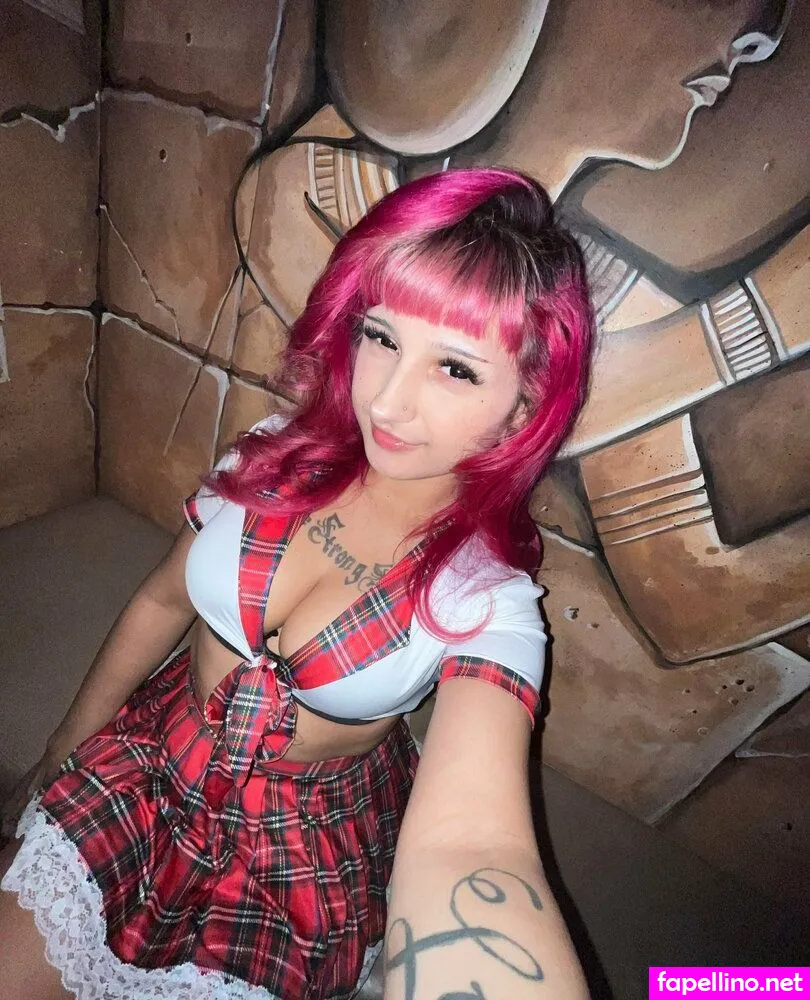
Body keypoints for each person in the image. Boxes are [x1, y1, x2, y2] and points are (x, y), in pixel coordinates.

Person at [0, 166, 594, 999]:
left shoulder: (486, 599)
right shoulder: (275, 452)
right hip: (151, 765)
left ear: (525, 406)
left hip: (295, 866)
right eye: (381, 336)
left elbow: (474, 847)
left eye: (455, 369)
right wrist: (58, 753)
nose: (387, 401)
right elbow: (162, 599)